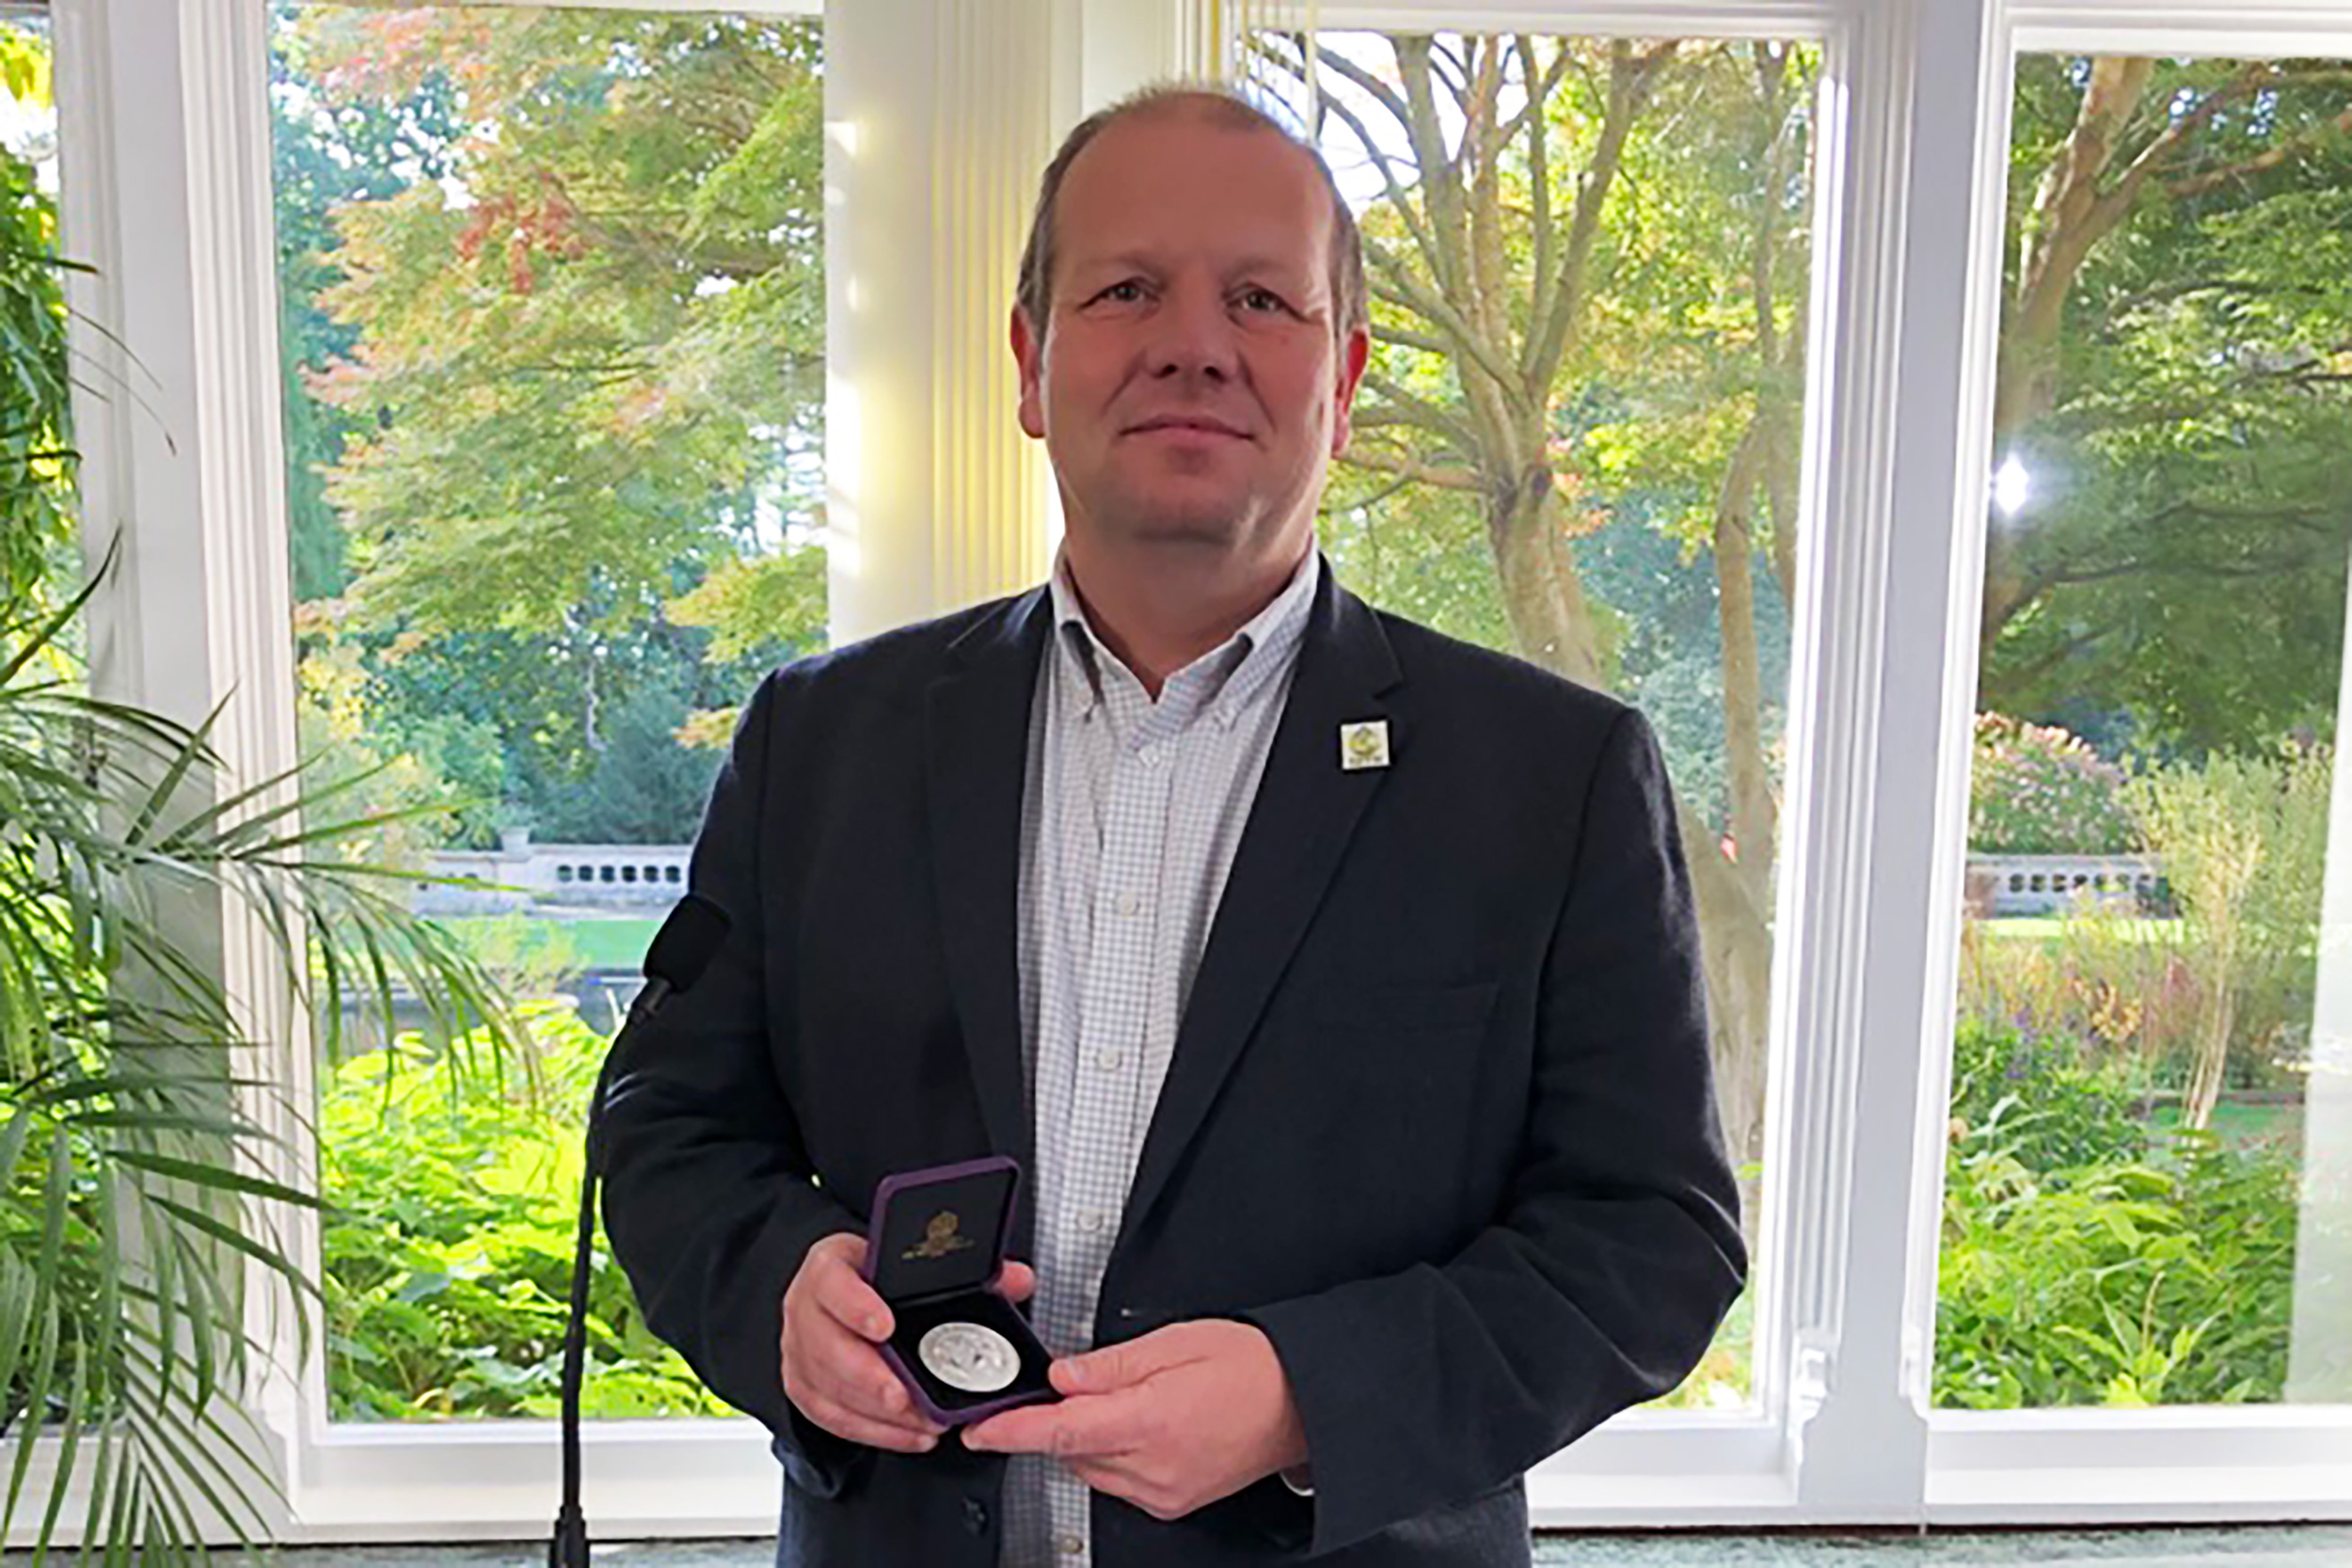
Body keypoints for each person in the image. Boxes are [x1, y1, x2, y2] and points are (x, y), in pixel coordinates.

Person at [601, 82, 1745, 1568]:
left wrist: (1306, 1400)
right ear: (1031, 360)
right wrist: (779, 1291)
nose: (1193, 343)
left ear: (1342, 377)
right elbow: (671, 1128)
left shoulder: (1552, 775)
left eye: (1262, 298)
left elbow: (1651, 1237)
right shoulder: (822, 743)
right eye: (1127, 287)